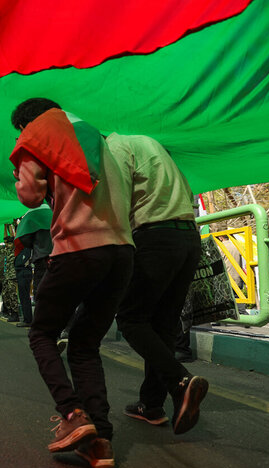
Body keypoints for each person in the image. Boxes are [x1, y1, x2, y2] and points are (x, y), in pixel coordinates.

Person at [10, 98, 135, 468]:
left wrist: (21, 175)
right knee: (83, 344)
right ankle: (100, 443)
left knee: (42, 334)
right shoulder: (97, 138)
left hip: (79, 247)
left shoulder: (40, 133)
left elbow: (30, 195)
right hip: (122, 251)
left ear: (27, 124)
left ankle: (72, 412)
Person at [107, 133, 208, 436]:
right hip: (188, 237)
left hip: (156, 236)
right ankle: (151, 405)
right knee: (162, 325)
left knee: (130, 318)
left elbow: (118, 201)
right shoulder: (152, 146)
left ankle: (180, 380)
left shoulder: (113, 147)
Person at [15, 245, 34, 327]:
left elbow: (23, 262)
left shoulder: (27, 249)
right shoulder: (23, 249)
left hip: (24, 272)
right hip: (22, 272)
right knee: (23, 297)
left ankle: (28, 320)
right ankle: (27, 319)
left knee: (24, 297)